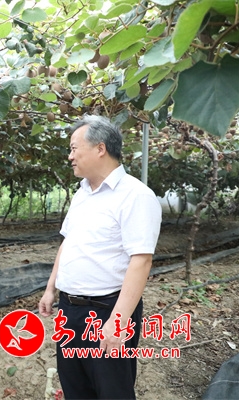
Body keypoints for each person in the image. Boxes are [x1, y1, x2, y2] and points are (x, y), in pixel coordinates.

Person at [38, 116, 162, 399]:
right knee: (75, 388)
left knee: (112, 391)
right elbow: (68, 242)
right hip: (70, 310)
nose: (70, 156)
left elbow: (141, 261)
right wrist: (50, 288)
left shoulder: (136, 196)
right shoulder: (82, 193)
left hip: (106, 311)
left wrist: (117, 322)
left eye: (74, 148)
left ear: (100, 148)